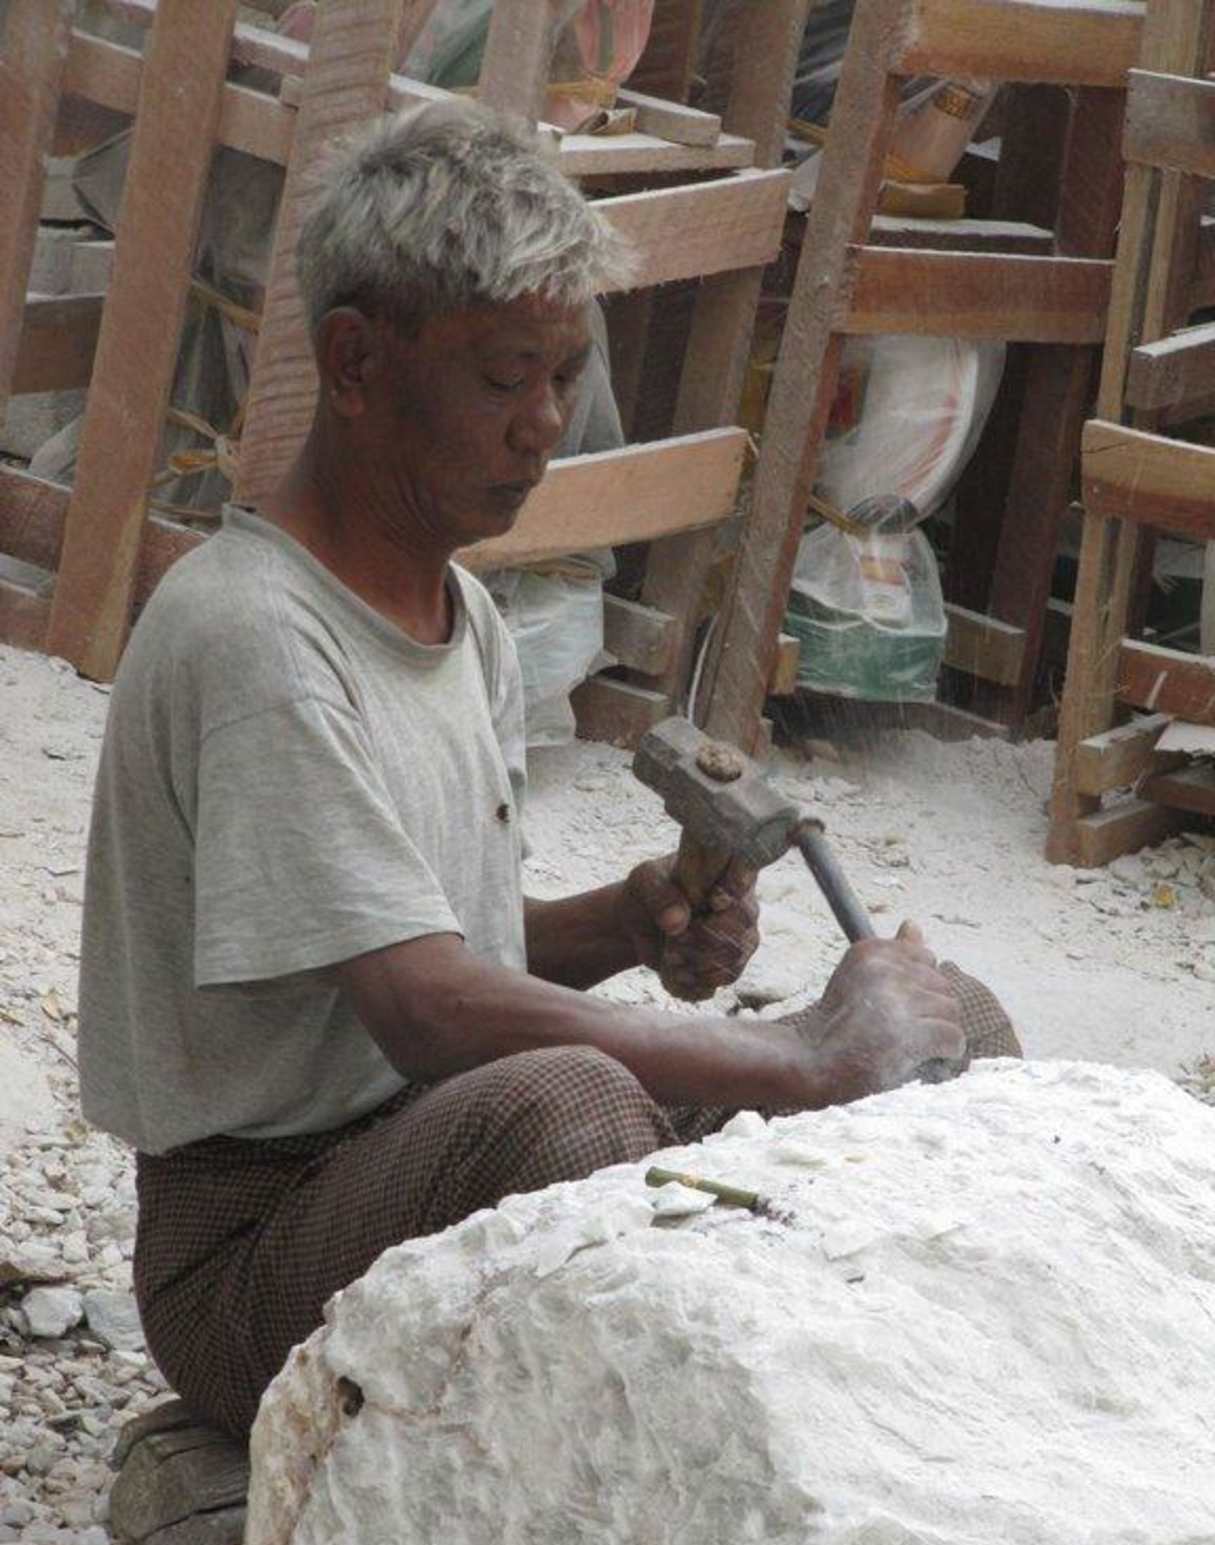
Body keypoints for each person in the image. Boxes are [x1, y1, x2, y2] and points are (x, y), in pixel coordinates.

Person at [77, 102, 1019, 1440]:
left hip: (435, 1136)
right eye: (504, 378)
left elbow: (438, 944)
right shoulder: (257, 639)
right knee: (573, 1106)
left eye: (564, 375)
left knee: (954, 1022)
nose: (545, 426)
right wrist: (802, 1057)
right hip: (250, 1251)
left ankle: (853, 1403)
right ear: (354, 363)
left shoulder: (457, 612)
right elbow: (427, 1009)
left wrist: (628, 924)